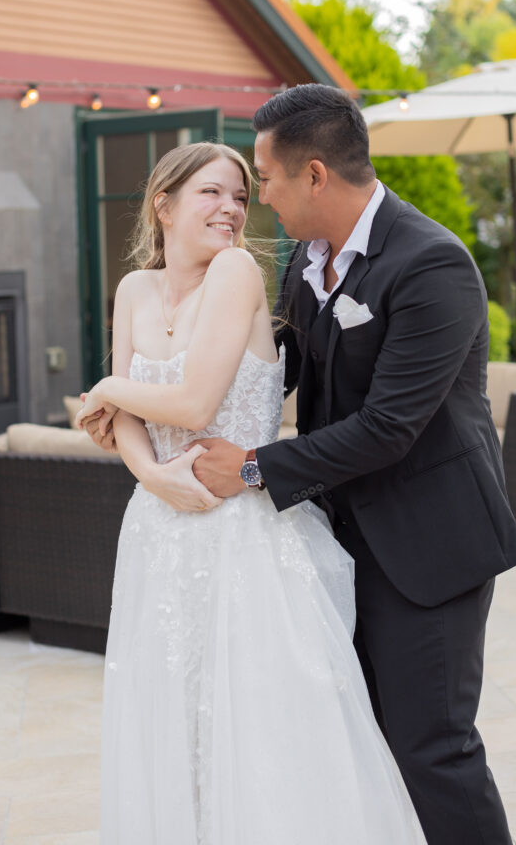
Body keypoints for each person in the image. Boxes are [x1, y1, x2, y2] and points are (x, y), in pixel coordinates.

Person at [171, 85, 516, 844]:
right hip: (335, 536)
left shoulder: (432, 264)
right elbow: (288, 363)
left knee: (432, 748)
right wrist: (173, 390)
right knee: (354, 739)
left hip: (429, 543)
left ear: (313, 176)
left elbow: (388, 428)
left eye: (263, 177)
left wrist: (253, 467)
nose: (256, 196)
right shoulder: (307, 256)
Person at [77, 141, 427, 844]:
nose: (233, 209)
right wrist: (150, 477)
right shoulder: (133, 291)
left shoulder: (236, 272)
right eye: (212, 193)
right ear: (163, 204)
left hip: (244, 536)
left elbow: (196, 401)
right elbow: (128, 427)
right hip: (158, 532)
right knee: (173, 720)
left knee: (260, 727)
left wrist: (108, 387)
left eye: (240, 194)